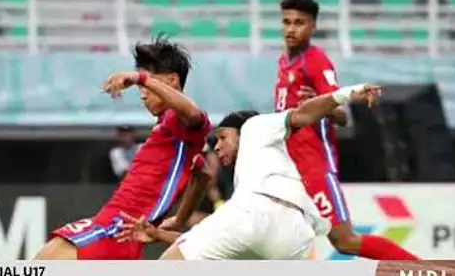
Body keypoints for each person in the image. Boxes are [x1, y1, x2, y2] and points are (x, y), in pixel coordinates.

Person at [115, 83, 383, 260]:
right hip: (295, 238)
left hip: (258, 216)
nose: (217, 147)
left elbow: (303, 114)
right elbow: (224, 238)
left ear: (240, 130)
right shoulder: (260, 171)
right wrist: (159, 235)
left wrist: (348, 92)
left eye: (222, 137)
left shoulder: (255, 125)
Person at [35, 35, 212, 260]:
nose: (143, 93)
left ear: (172, 81)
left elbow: (194, 114)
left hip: (115, 230)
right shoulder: (172, 130)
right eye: (140, 88)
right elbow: (203, 172)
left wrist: (139, 77)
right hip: (114, 228)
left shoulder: (180, 119)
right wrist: (179, 220)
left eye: (148, 84)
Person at [274, 0, 419, 260]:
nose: (291, 29)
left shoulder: (316, 61)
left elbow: (341, 115)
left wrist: (319, 105)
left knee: (345, 241)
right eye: (286, 22)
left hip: (314, 166)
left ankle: (424, 269)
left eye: (299, 23)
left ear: (313, 27)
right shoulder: (284, 61)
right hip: (288, 167)